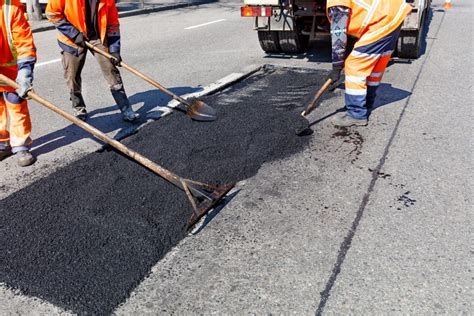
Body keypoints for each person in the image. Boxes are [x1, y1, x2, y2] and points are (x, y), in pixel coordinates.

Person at [46, 0, 139, 122]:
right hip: (72, 39)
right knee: (72, 74)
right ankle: (78, 107)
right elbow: (52, 13)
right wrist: (74, 34)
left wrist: (114, 49)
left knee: (110, 68)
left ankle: (126, 108)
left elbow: (112, 23)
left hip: (97, 37)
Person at [327, 0, 412, 127]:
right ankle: (367, 102)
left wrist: (336, 67)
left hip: (383, 19)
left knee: (354, 64)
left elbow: (338, 35)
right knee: (378, 62)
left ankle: (356, 114)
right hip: (394, 14)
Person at [0, 0, 37, 166]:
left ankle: (20, 144)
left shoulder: (10, 8)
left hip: (11, 71)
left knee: (16, 104)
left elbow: (24, 42)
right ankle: (2, 142)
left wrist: (25, 72)